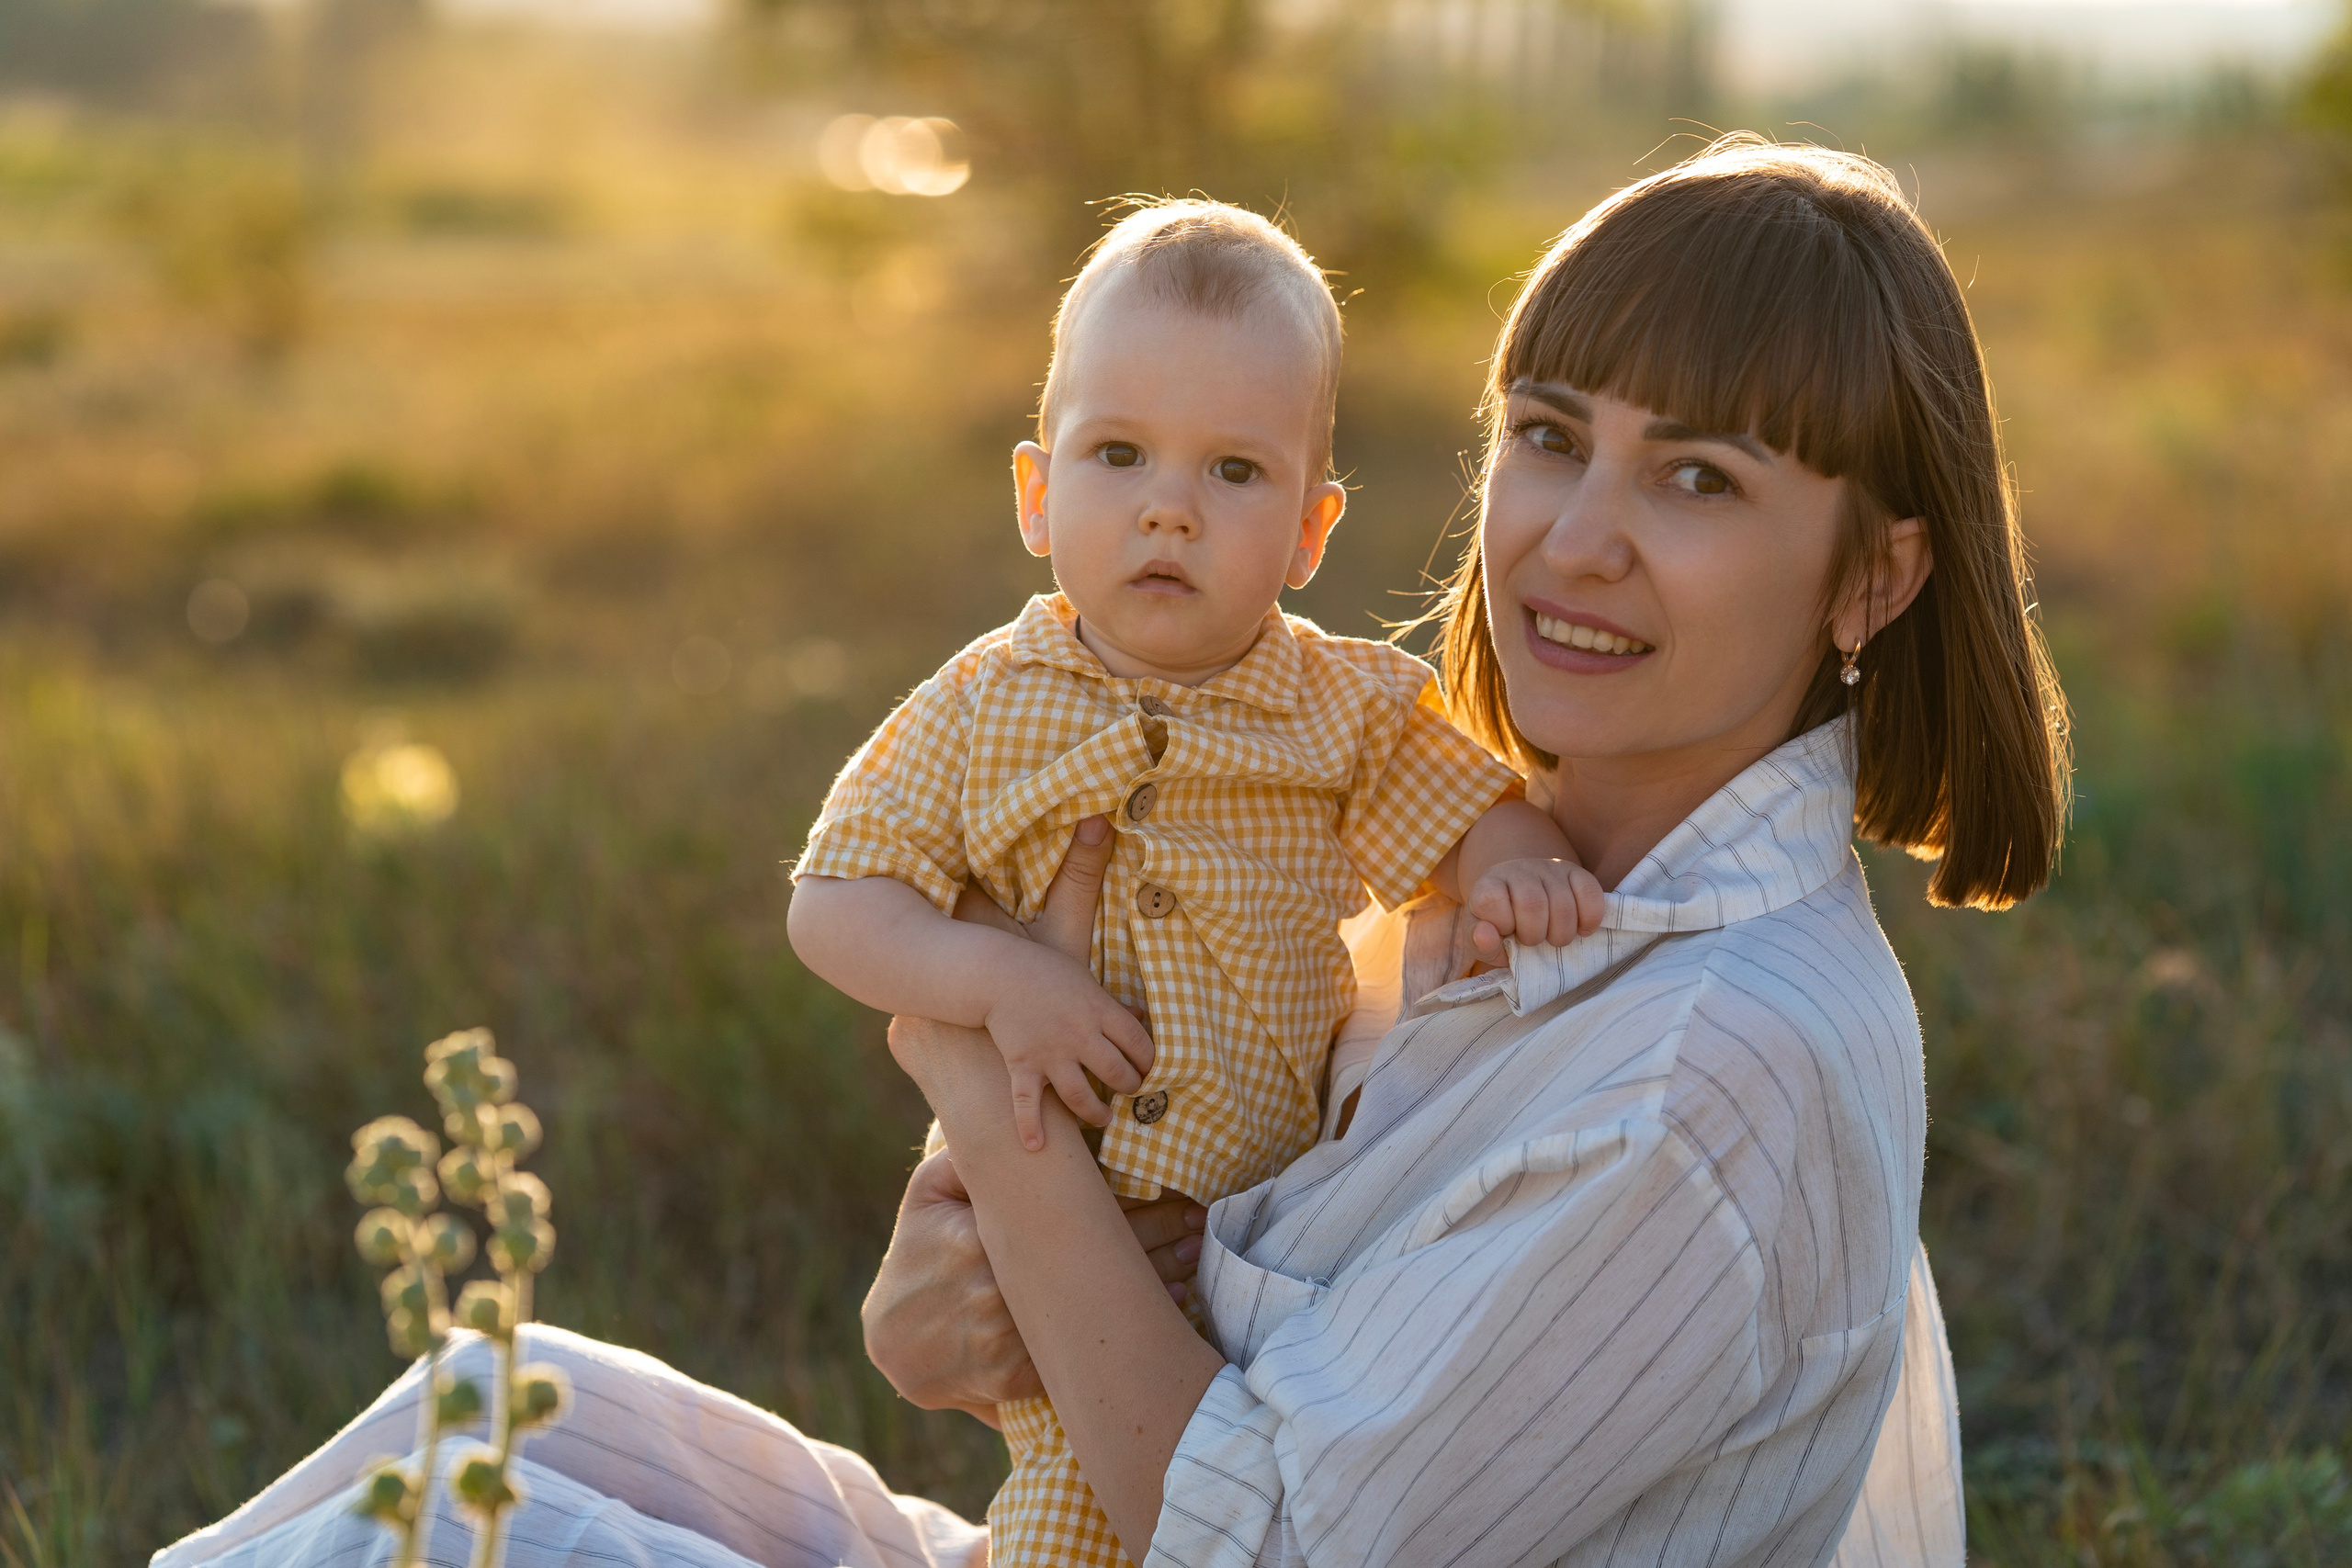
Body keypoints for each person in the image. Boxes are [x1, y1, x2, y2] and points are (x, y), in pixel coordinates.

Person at [154, 134, 2068, 1568]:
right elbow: (1158, 1280)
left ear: (1872, 576)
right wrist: (971, 1300)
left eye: (1699, 478)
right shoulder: (1503, 887)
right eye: (1551, 436)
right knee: (495, 1408)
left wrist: (994, 1103)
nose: (1572, 535)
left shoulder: (1703, 1068)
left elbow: (1258, 1543)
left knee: (439, 1539)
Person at [786, 197, 1600, 1568]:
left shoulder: (1344, 708)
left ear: (1310, 531)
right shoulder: (982, 703)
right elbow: (835, 903)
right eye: (1119, 455)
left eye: (1234, 471)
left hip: (1280, 1260)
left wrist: (1521, 874)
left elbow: (1477, 817)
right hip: (1053, 1247)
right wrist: (997, 980)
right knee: (1069, 1530)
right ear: (1037, 495)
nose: (1170, 506)